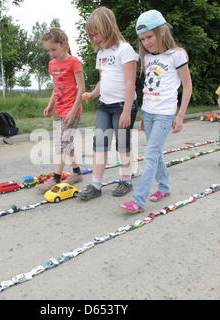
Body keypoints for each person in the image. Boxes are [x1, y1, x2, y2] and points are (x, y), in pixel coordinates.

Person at [120, 10, 192, 213]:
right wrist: (144, 115)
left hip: (165, 115)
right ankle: (165, 187)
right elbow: (149, 90)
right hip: (149, 114)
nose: (146, 42)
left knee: (150, 155)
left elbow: (187, 86)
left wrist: (180, 115)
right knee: (156, 153)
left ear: (162, 32)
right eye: (142, 39)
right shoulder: (148, 58)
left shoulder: (177, 55)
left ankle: (138, 200)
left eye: (149, 37)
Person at [78, 6, 139, 201]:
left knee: (123, 145)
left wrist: (127, 111)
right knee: (99, 144)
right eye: (92, 36)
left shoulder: (125, 49)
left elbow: (130, 82)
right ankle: (96, 184)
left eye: (97, 34)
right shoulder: (101, 54)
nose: (95, 38)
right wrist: (93, 94)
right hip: (104, 105)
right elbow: (103, 80)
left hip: (123, 106)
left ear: (109, 27)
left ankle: (126, 180)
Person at [37, 28, 86, 192]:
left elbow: (81, 88)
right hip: (59, 110)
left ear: (64, 44)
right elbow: (56, 87)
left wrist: (73, 110)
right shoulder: (52, 64)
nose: (51, 53)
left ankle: (56, 178)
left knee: (61, 144)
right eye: (48, 50)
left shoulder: (74, 62)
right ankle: (77, 172)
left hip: (71, 111)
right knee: (66, 144)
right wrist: (50, 104)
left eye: (53, 49)